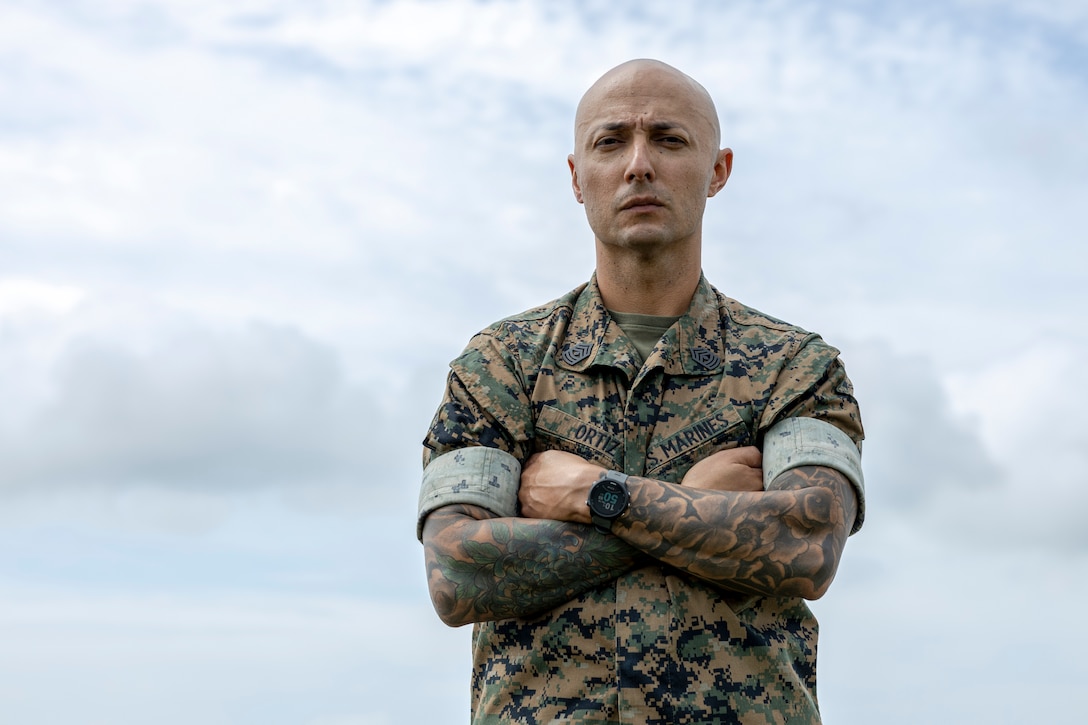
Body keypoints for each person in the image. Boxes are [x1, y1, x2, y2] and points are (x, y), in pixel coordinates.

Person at [416, 58, 865, 724]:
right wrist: (693, 507)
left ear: (718, 170)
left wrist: (590, 497)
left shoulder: (794, 367)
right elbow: (457, 576)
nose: (637, 164)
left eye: (669, 138)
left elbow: (805, 548)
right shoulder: (501, 364)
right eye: (610, 141)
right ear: (576, 177)